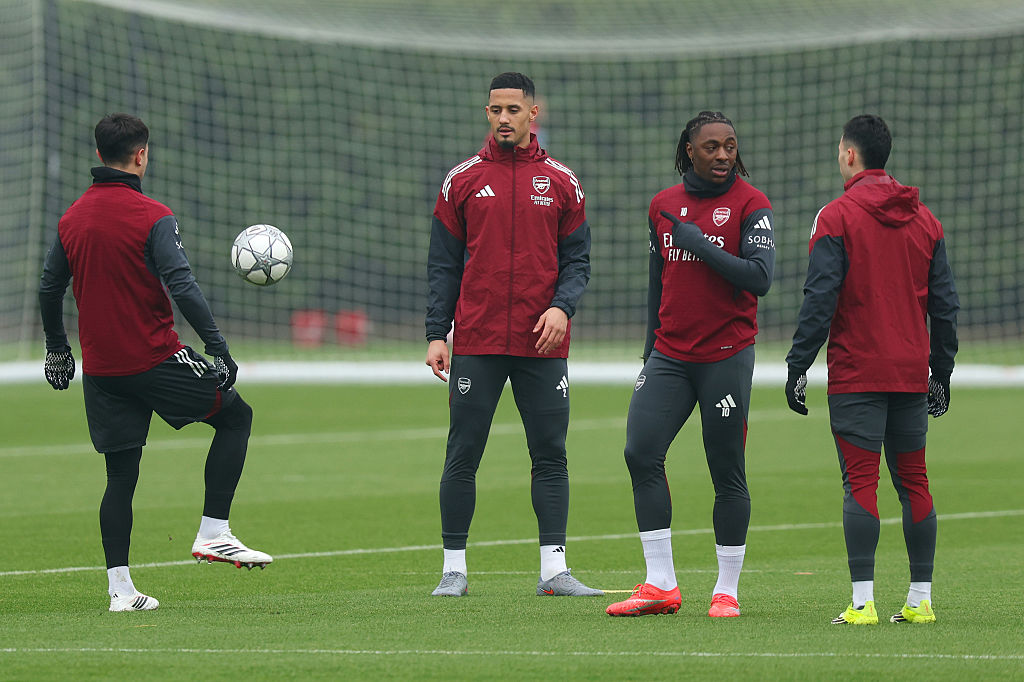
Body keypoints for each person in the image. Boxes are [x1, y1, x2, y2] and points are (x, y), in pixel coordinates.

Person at [39, 113, 272, 612]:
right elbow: (181, 285)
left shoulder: (71, 218)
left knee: (120, 476)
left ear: (99, 155)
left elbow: (48, 287)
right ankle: (214, 532)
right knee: (237, 417)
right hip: (154, 358)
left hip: (102, 372)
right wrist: (218, 346)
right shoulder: (153, 215)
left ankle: (120, 592)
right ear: (141, 155)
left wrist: (57, 346)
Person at [424, 72, 599, 598]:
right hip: (475, 341)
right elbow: (442, 266)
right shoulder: (462, 180)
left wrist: (561, 309)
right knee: (463, 452)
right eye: (495, 110)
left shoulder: (563, 181)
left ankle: (554, 572)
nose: (504, 118)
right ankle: (453, 569)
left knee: (550, 453)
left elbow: (579, 261)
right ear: (487, 114)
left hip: (542, 345)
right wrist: (438, 333)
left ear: (532, 114)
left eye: (513, 110)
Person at [784, 114, 959, 625]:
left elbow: (820, 297)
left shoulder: (835, 217)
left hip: (858, 374)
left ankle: (862, 604)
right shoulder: (926, 220)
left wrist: (798, 364)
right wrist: (940, 371)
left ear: (849, 155)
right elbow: (945, 307)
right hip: (909, 372)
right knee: (915, 482)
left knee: (860, 483)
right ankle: (920, 600)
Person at [606, 112, 775, 618]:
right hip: (670, 356)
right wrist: (649, 351)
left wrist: (700, 244)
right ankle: (661, 584)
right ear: (689, 151)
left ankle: (726, 590)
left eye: (730, 146)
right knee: (640, 452)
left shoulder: (752, 205)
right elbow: (658, 283)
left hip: (725, 357)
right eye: (711, 147)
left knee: (726, 469)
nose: (723, 155)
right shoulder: (662, 206)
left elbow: (760, 279)